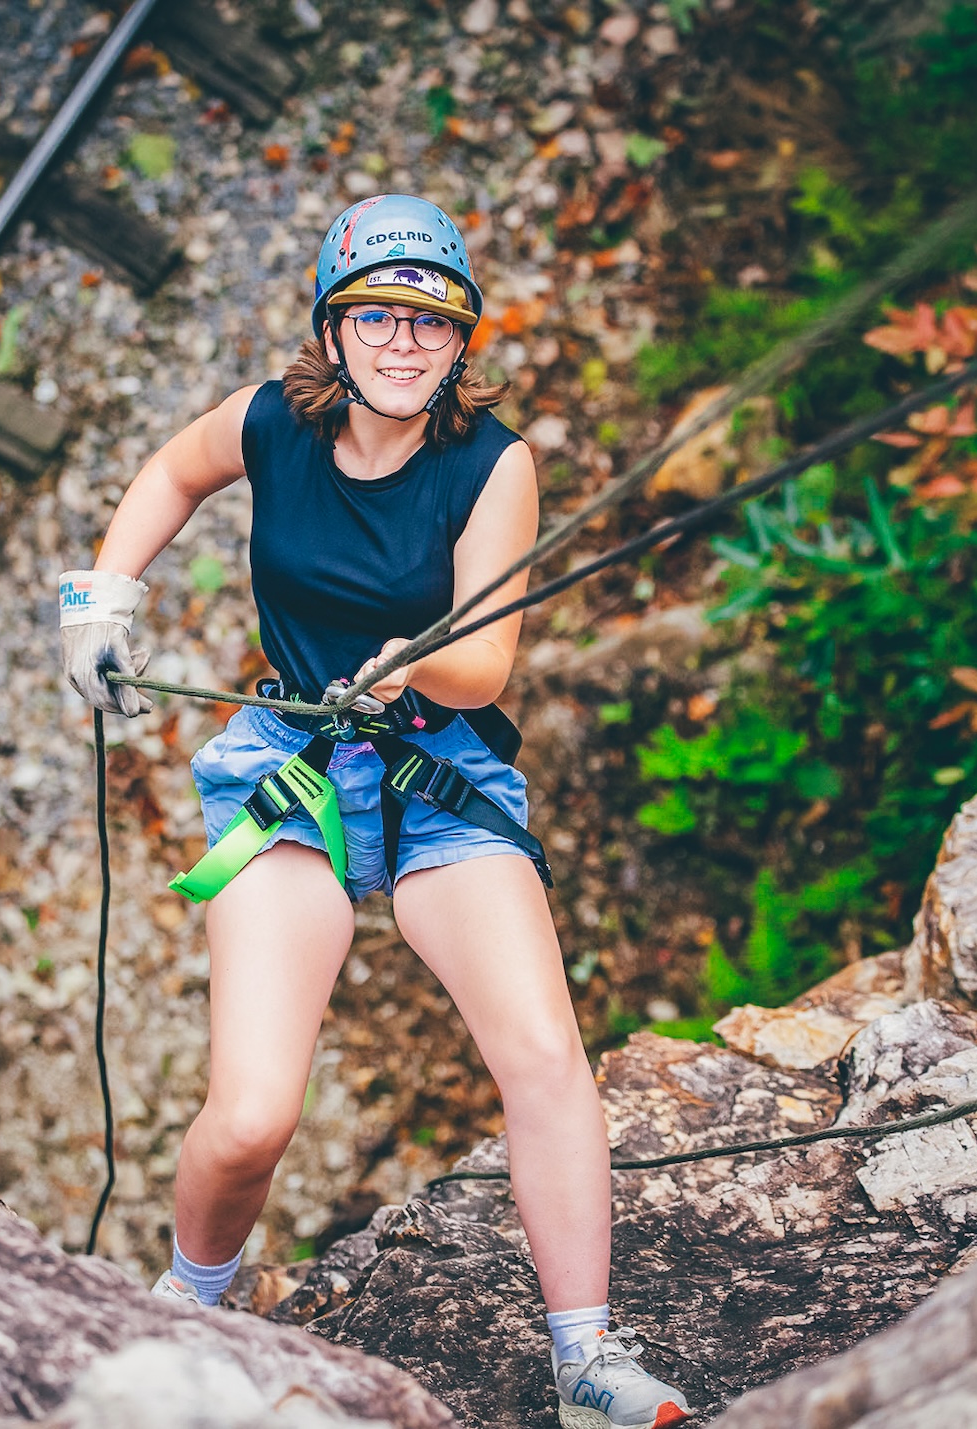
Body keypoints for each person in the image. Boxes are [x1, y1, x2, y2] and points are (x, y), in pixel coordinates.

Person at [58, 194, 688, 1429]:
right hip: (291, 764)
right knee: (249, 1117)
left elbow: (486, 664)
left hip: (433, 771)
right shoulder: (270, 425)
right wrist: (102, 593)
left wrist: (414, 659)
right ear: (332, 334)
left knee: (545, 1059)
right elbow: (173, 472)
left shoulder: (490, 462)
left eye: (430, 324)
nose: (403, 345)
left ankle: (586, 1363)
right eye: (377, 319)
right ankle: (187, 1304)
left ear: (461, 342)